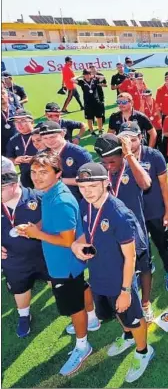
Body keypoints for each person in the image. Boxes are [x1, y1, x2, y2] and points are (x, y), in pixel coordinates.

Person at [16, 152, 99, 376]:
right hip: (70, 264)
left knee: (74, 306)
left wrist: (37, 234)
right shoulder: (50, 193)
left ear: (58, 173)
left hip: (65, 264)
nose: (36, 177)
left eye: (43, 172)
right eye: (33, 172)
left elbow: (67, 240)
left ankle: (83, 345)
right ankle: (92, 319)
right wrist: (36, 228)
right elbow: (51, 223)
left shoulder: (60, 200)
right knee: (81, 288)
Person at [71, 163, 154, 383]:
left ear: (105, 183)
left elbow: (130, 257)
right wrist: (76, 246)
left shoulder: (119, 214)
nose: (87, 191)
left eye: (92, 185)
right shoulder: (84, 204)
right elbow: (85, 234)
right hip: (98, 275)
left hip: (121, 281)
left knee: (133, 317)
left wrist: (126, 290)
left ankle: (143, 351)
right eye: (82, 186)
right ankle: (127, 336)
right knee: (118, 313)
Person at [94, 133, 155, 321]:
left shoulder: (133, 167)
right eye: (104, 162)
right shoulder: (100, 171)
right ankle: (122, 305)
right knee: (118, 271)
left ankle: (145, 303)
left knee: (143, 268)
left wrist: (129, 155)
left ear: (122, 155)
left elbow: (146, 184)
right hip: (109, 234)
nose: (108, 167)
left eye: (112, 161)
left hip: (135, 233)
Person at [119, 122, 168, 292]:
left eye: (133, 139)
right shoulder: (118, 159)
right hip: (132, 215)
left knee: (162, 243)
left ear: (141, 137)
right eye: (125, 140)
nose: (129, 143)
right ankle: (144, 269)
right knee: (138, 247)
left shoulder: (154, 155)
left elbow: (164, 186)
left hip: (155, 211)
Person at [1, 157, 49, 338]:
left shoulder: (39, 197)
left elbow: (59, 219)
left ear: (12, 184)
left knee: (59, 284)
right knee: (20, 289)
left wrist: (40, 226)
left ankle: (70, 307)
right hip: (13, 260)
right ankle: (24, 315)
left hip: (44, 254)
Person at [38, 121, 93, 202]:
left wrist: (59, 181)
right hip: (53, 200)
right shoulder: (42, 155)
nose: (49, 141)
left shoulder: (79, 153)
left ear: (62, 134)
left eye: (53, 137)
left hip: (78, 201)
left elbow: (91, 179)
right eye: (45, 138)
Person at [6, 109, 38, 188]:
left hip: (43, 175)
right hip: (25, 178)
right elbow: (9, 159)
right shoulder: (13, 140)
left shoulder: (41, 136)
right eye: (16, 122)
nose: (19, 124)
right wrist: (16, 160)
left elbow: (54, 154)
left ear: (32, 122)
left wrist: (36, 159)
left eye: (23, 121)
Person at [72, 69, 106, 136]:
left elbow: (103, 77)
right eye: (85, 74)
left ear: (90, 75)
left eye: (88, 74)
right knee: (89, 118)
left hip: (96, 102)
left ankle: (100, 130)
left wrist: (94, 75)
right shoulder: (82, 82)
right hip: (87, 103)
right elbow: (72, 79)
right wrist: (80, 76)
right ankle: (91, 131)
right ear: (84, 75)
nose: (87, 76)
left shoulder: (95, 80)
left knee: (99, 117)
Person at [1, 88, 17, 155]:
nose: (1, 96)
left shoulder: (15, 109)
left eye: (3, 93)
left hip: (15, 144)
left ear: (8, 95)